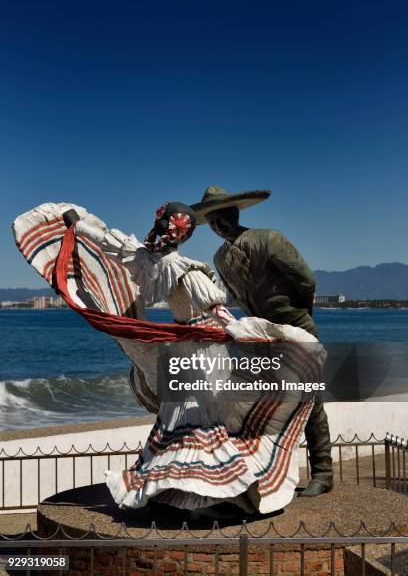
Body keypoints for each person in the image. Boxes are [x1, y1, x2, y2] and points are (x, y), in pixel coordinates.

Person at [13, 200, 325, 514]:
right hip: (205, 348)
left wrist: (76, 225)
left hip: (186, 347)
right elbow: (215, 311)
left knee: (185, 418)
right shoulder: (180, 267)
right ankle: (207, 494)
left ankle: (189, 492)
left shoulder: (145, 259)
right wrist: (249, 333)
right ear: (184, 234)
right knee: (202, 419)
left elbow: (111, 242)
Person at [191, 186, 333, 497]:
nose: (218, 226)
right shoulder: (220, 257)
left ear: (235, 213)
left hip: (295, 327)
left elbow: (306, 279)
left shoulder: (269, 238)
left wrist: (297, 315)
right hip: (259, 335)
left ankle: (323, 471)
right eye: (212, 222)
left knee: (311, 401)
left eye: (223, 218)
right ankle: (265, 472)